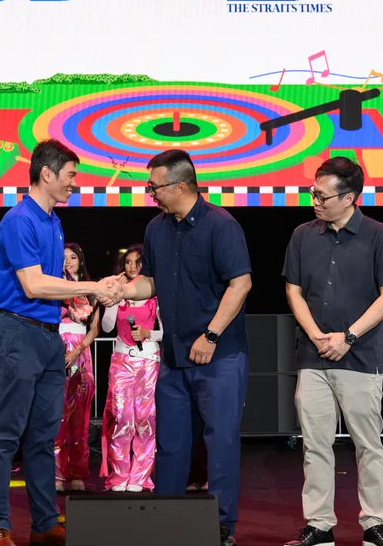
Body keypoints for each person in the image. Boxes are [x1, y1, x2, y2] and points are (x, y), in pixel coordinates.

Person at [0, 139, 121, 546]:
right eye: (71, 175)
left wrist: (97, 291)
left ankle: (45, 522)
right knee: (6, 434)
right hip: (16, 332)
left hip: (48, 337)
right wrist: (95, 286)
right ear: (47, 173)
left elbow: (54, 289)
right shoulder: (19, 220)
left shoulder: (54, 221)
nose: (75, 183)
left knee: (44, 436)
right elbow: (34, 283)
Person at [120, 149, 252, 546]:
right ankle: (166, 520)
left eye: (154, 187)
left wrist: (210, 336)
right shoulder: (156, 229)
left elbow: (240, 283)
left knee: (221, 441)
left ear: (181, 186)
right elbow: (152, 283)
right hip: (174, 357)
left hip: (220, 354)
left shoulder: (221, 225)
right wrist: (122, 290)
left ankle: (222, 525)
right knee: (172, 443)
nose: (150, 194)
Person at [281, 157, 383, 546]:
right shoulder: (303, 234)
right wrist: (318, 335)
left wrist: (347, 337)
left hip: (361, 357)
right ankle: (319, 524)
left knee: (367, 444)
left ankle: (375, 523)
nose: (314, 199)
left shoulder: (380, 234)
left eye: (322, 194)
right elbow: (293, 290)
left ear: (348, 197)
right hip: (312, 357)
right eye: (312, 191)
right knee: (315, 444)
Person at [99, 245, 162, 492]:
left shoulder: (156, 294)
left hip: (148, 360)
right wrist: (113, 301)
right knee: (122, 417)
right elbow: (106, 328)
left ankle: (140, 476)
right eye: (128, 262)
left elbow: (166, 333)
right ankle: (119, 475)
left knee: (145, 419)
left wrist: (148, 333)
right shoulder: (119, 294)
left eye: (138, 262)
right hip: (121, 360)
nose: (132, 267)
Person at [54, 242, 101, 492]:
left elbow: (95, 329)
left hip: (80, 353)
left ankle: (77, 472)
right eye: (63, 257)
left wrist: (77, 350)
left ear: (80, 261)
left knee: (79, 419)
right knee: (55, 416)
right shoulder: (51, 288)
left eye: (73, 257)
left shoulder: (90, 291)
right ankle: (57, 474)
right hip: (54, 350)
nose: (68, 262)